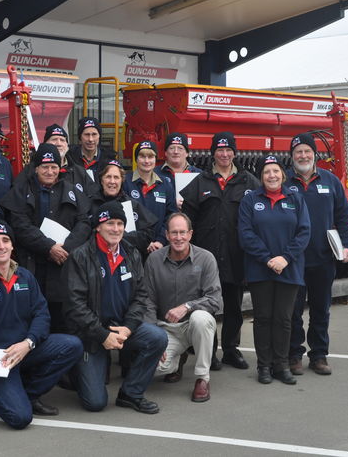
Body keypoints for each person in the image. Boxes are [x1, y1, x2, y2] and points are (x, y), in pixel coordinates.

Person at [0, 219, 83, 429]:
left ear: (13, 245)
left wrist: (28, 343)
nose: (1, 246)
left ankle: (27, 393)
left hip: (23, 351)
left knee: (72, 345)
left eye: (6, 240)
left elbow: (42, 315)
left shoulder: (26, 277)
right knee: (20, 418)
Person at [63, 201, 168, 414]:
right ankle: (74, 371)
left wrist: (128, 327)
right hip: (91, 334)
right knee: (95, 403)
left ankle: (131, 393)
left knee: (158, 338)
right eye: (110, 223)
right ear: (97, 227)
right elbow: (75, 306)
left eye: (120, 223)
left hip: (121, 328)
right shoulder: (80, 256)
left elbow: (140, 296)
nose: (116, 229)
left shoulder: (131, 253)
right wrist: (102, 335)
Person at [181, 132, 260, 371]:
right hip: (206, 258)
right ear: (212, 152)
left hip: (236, 255)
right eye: (219, 150)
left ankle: (231, 350)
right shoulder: (200, 182)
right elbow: (187, 221)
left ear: (234, 153)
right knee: (207, 307)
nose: (224, 154)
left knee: (234, 306)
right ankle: (209, 351)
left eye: (228, 150)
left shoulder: (249, 182)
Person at [0, 143, 91, 332]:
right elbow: (20, 225)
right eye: (45, 167)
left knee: (62, 320)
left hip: (64, 266)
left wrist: (66, 248)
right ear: (37, 168)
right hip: (32, 265)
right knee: (32, 317)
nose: (50, 171)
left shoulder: (71, 190)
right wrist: (49, 247)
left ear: (60, 168)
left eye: (54, 167)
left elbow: (85, 222)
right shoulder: (22, 189)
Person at [286, 133, 348, 376]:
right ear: (291, 156)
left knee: (320, 308)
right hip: (293, 259)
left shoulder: (331, 181)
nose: (303, 156)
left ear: (315, 154)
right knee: (293, 310)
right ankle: (294, 354)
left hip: (323, 258)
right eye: (298, 152)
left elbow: (344, 217)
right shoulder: (284, 182)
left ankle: (319, 355)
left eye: (307, 151)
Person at [238, 155, 310, 385]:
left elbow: (304, 232)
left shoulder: (295, 198)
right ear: (261, 176)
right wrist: (268, 258)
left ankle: (281, 365)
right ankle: (264, 366)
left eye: (276, 171)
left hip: (289, 269)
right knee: (263, 318)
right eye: (267, 172)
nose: (272, 175)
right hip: (261, 269)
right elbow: (245, 234)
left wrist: (285, 258)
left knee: (283, 318)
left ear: (283, 174)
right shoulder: (250, 200)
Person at [143, 212, 222, 402]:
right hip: (167, 329)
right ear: (167, 235)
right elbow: (147, 301)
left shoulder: (206, 258)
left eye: (183, 232)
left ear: (191, 234)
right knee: (157, 369)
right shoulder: (154, 261)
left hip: (193, 325)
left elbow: (215, 299)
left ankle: (202, 378)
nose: (179, 238)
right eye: (174, 233)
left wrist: (187, 307)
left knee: (201, 318)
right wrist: (154, 337)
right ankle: (178, 358)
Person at [91, 159, 158, 260]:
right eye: (108, 177)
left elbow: (147, 234)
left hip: (126, 261)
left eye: (116, 177)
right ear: (101, 180)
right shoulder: (89, 203)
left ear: (121, 180)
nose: (112, 181)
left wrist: (118, 237)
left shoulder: (132, 205)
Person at [123, 140, 177, 254]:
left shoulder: (165, 184)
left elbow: (171, 215)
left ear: (155, 159)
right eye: (142, 156)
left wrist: (161, 240)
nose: (147, 161)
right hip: (131, 248)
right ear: (136, 159)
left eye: (150, 156)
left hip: (159, 248)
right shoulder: (125, 182)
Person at [42, 123, 96, 196]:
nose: (59, 143)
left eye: (62, 140)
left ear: (67, 146)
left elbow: (94, 197)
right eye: (54, 139)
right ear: (45, 143)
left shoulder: (80, 172)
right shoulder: (35, 170)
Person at [157, 132, 202, 209]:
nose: (176, 152)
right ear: (165, 153)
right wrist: (171, 203)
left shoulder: (199, 174)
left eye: (180, 148)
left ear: (187, 153)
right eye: (171, 148)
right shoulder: (155, 174)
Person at [66, 116, 117, 182]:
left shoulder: (109, 159)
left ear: (99, 136)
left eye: (94, 134)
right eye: (87, 134)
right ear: (80, 137)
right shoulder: (70, 157)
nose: (90, 139)